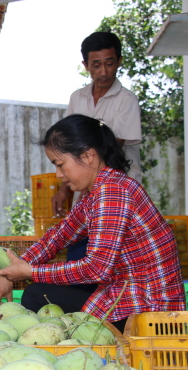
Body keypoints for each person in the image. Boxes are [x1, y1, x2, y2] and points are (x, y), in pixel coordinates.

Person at [0, 114, 184, 332]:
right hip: (125, 296)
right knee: (40, 292)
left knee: (37, 295)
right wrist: (9, 273)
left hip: (147, 313)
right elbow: (58, 236)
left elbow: (97, 269)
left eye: (60, 164)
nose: (58, 175)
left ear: (88, 156)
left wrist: (30, 272)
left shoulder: (112, 193)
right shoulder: (97, 193)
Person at [53, 31, 143, 267]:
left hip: (116, 195)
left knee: (108, 263)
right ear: (85, 65)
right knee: (78, 256)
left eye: (109, 63)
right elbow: (67, 149)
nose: (103, 72)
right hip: (84, 195)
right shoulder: (78, 98)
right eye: (96, 65)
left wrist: (86, 183)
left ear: (119, 62)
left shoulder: (126, 100)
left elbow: (113, 146)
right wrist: (65, 190)